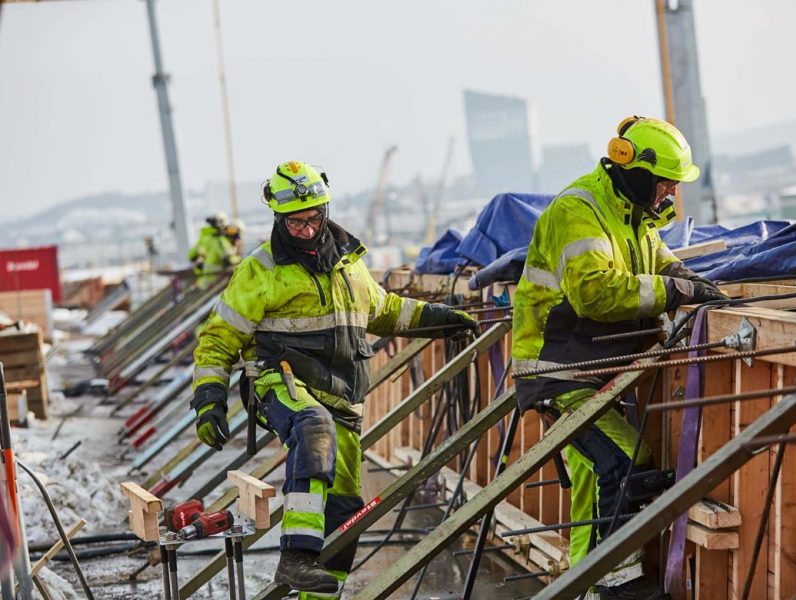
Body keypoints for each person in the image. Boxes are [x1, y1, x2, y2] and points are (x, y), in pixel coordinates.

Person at [190, 161, 476, 598]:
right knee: (312, 428)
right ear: (277, 218)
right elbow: (218, 337)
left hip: (341, 397)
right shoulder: (260, 269)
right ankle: (296, 557)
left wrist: (441, 320)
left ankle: (320, 594)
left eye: (313, 219)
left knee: (345, 513)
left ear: (325, 210)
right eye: (295, 222)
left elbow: (386, 311)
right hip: (278, 383)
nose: (305, 230)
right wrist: (209, 396)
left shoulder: (350, 265)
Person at [511, 117, 727, 599]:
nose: (671, 192)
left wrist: (689, 281)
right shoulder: (579, 210)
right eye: (667, 181)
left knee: (594, 483)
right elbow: (593, 294)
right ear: (637, 171)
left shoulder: (633, 214)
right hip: (558, 370)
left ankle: (584, 586)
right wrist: (675, 290)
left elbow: (659, 261)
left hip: (595, 366)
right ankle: (614, 586)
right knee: (626, 463)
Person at [187, 211, 240, 288]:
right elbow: (229, 261)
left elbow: (191, 256)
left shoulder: (205, 238)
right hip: (215, 282)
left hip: (203, 281)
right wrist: (241, 260)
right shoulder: (220, 241)